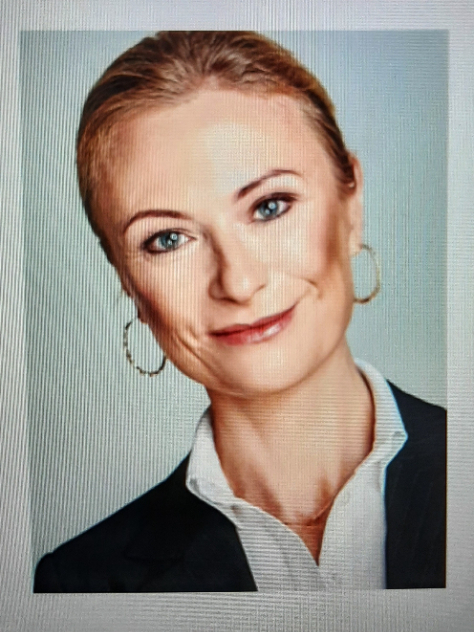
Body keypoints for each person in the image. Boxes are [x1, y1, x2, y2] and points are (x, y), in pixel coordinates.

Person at [34, 31, 446, 592]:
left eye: (270, 206)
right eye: (168, 239)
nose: (239, 281)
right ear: (127, 282)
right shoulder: (76, 585)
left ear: (351, 207)